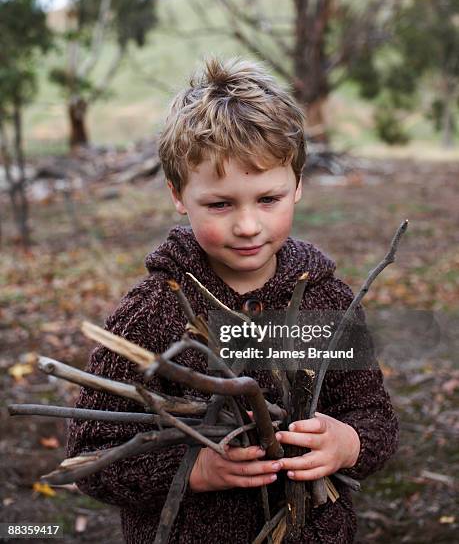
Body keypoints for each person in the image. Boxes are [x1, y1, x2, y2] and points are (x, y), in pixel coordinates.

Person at [66, 57, 399, 543]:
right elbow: (90, 456)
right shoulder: (154, 311)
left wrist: (349, 443)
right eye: (220, 204)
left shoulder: (326, 300)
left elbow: (373, 417)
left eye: (268, 199)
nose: (247, 225)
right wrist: (193, 470)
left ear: (298, 185)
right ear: (178, 194)